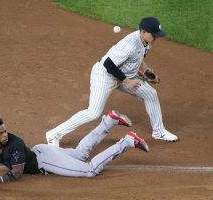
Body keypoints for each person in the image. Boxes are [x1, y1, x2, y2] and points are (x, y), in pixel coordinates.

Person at [46, 16, 178, 147]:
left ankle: (159, 131)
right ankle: (54, 134)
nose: (156, 38)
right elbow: (108, 64)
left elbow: (138, 57)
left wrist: (147, 71)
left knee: (150, 94)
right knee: (93, 113)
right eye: (154, 35)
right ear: (143, 32)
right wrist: (127, 81)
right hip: (105, 76)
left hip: (124, 75)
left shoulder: (146, 41)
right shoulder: (130, 44)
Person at [0, 110, 149, 189]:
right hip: (42, 151)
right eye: (0, 133)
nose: (4, 135)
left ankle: (127, 142)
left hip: (45, 160)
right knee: (80, 154)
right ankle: (109, 120)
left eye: (4, 131)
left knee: (90, 170)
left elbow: (16, 174)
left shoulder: (15, 144)